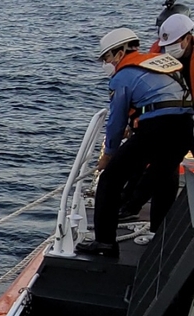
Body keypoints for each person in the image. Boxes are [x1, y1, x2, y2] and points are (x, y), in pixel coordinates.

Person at [76, 28, 193, 257]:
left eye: (107, 58)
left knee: (110, 180)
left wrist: (108, 154)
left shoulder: (123, 76)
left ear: (119, 53)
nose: (106, 63)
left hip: (157, 129)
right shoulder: (159, 62)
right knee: (165, 175)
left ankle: (105, 243)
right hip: (185, 127)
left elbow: (116, 121)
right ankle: (162, 233)